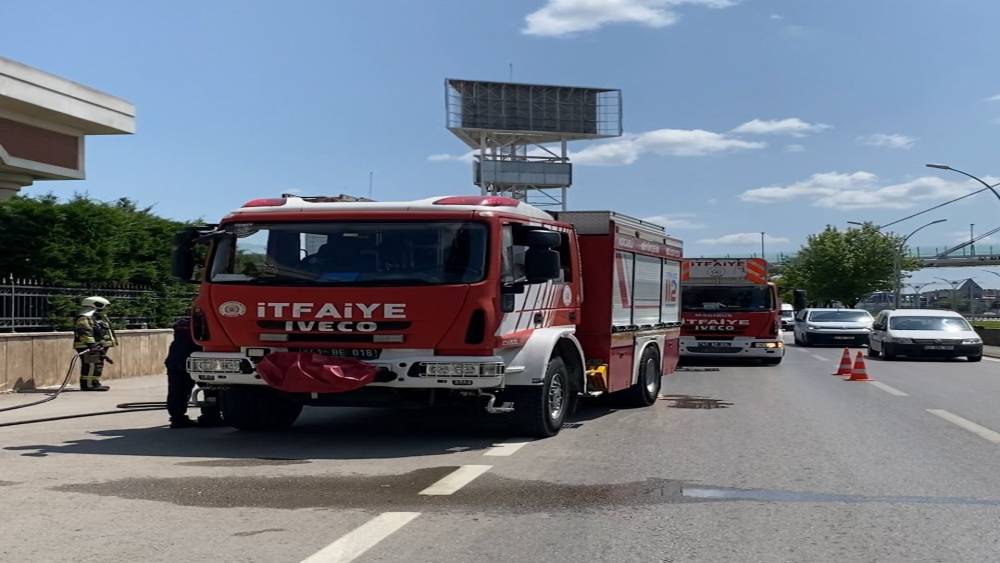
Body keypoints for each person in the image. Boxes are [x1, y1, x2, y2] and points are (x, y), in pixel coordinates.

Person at [164, 316, 223, 428]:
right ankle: (211, 416)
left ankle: (177, 418)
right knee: (211, 389)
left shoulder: (181, 325)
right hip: (200, 362)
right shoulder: (207, 324)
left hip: (176, 362)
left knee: (177, 391)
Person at [72, 296, 117, 391]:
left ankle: (95, 383)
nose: (105, 308)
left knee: (97, 364)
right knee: (91, 365)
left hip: (97, 345)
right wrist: (91, 345)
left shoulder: (97, 316)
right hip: (88, 345)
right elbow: (84, 331)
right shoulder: (85, 317)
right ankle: (88, 385)